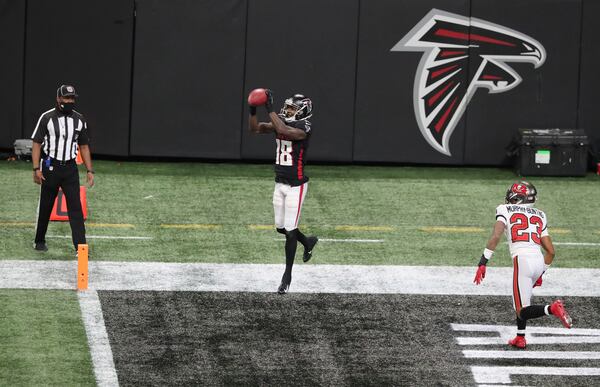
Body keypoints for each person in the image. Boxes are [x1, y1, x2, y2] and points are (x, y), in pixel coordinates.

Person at [474, 181, 572, 349]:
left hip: (523, 261)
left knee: (521, 309)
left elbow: (496, 235)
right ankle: (520, 337)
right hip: (538, 261)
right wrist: (541, 272)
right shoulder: (540, 214)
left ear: (518, 198)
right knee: (522, 298)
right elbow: (551, 251)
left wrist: (483, 261)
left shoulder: (504, 209)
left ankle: (552, 309)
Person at [249, 90, 318, 294]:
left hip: (296, 186)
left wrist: (269, 108)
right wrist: (253, 109)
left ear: (303, 111)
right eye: (286, 107)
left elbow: (284, 130)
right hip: (279, 183)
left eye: (291, 108)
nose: (287, 111)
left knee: (290, 231)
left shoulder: (305, 126)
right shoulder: (282, 122)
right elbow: (256, 129)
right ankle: (308, 242)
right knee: (281, 228)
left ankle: (286, 276)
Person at [31, 84, 95, 253]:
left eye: (72, 98)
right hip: (50, 166)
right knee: (46, 205)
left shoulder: (79, 119)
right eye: (66, 98)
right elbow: (36, 143)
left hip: (70, 169)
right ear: (58, 99)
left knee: (76, 209)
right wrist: (36, 168)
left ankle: (80, 247)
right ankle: (39, 240)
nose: (69, 101)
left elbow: (84, 146)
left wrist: (90, 170)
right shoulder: (47, 118)